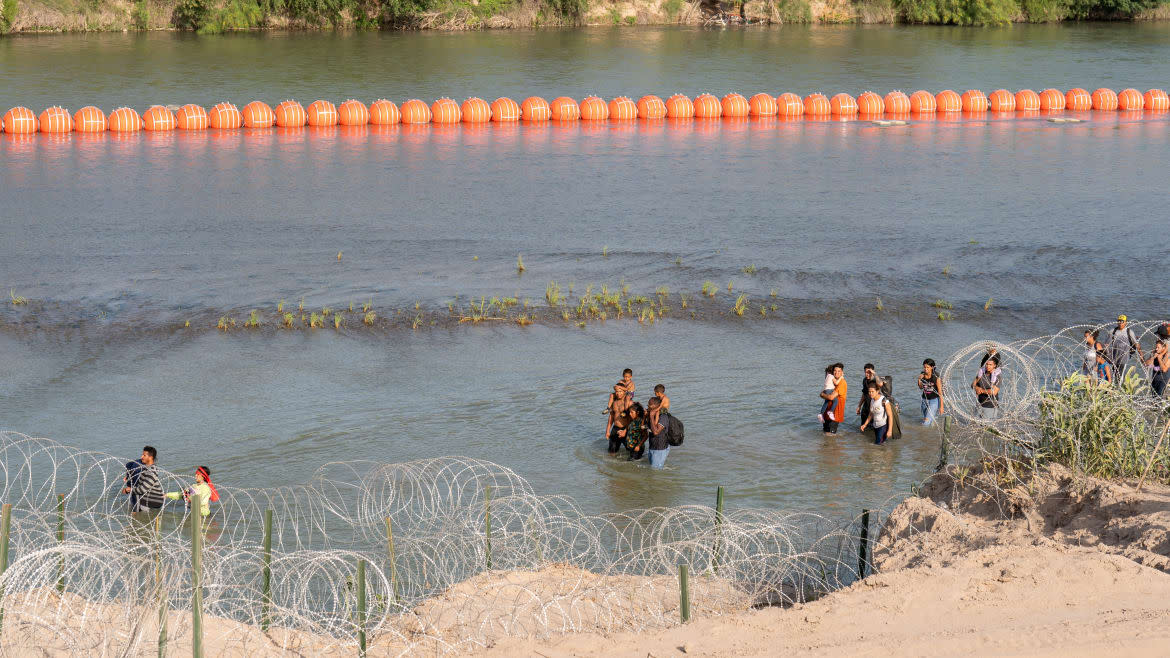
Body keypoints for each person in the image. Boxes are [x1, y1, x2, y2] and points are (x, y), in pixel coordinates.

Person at [122, 446, 164, 513]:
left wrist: (128, 490)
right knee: (135, 489)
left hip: (155, 500)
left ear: (150, 457)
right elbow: (128, 465)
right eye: (142, 455)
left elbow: (142, 489)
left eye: (144, 455)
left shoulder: (151, 471)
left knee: (136, 492)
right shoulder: (145, 468)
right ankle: (137, 514)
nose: (141, 457)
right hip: (151, 497)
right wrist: (128, 476)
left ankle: (135, 515)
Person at [605, 382, 632, 454]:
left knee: (631, 452)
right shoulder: (614, 403)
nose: (618, 393)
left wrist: (625, 431)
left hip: (626, 429)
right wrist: (607, 431)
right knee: (611, 452)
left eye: (620, 391)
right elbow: (611, 417)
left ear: (624, 392)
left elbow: (632, 419)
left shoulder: (629, 403)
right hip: (615, 429)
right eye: (616, 391)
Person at [972, 356, 1003, 420]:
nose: (988, 366)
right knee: (976, 426)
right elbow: (972, 384)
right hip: (979, 404)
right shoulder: (981, 374)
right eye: (986, 364)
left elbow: (994, 392)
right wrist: (976, 388)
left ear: (994, 365)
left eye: (990, 364)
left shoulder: (997, 377)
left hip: (990, 406)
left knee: (987, 427)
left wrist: (981, 391)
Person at [819, 363, 847, 435]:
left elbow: (831, 397)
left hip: (835, 414)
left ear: (842, 372)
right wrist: (822, 394)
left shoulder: (842, 383)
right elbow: (823, 394)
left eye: (839, 371)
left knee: (831, 435)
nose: (836, 372)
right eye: (835, 370)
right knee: (825, 433)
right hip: (827, 412)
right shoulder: (832, 380)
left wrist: (822, 394)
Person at [645, 396, 671, 468]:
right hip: (652, 447)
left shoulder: (663, 417)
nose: (647, 406)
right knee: (653, 469)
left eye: (649, 404)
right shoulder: (651, 416)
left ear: (655, 406)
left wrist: (651, 417)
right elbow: (645, 427)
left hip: (660, 448)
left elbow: (656, 432)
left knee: (655, 471)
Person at [918, 358, 944, 426]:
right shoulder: (922, 375)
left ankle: (923, 435)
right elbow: (920, 387)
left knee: (926, 423)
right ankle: (931, 432)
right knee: (926, 419)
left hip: (934, 401)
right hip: (924, 400)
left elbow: (940, 393)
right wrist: (919, 379)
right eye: (924, 367)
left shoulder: (936, 377)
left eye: (928, 367)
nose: (925, 369)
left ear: (932, 367)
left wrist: (941, 407)